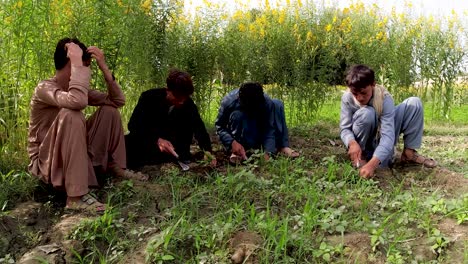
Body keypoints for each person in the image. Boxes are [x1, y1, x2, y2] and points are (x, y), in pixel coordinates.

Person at [28, 37, 147, 213]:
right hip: (47, 162)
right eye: (85, 66)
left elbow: (117, 101)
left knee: (109, 110)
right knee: (72, 113)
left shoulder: (75, 90)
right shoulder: (44, 88)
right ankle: (75, 198)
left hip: (73, 156)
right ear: (72, 63)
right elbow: (76, 102)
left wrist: (104, 68)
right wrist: (77, 63)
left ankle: (115, 168)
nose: (86, 71)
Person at [340, 64, 437, 179]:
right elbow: (345, 128)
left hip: (381, 139)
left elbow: (387, 136)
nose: (359, 98)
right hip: (363, 143)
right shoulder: (347, 98)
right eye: (355, 93)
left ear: (373, 85)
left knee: (414, 103)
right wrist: (352, 143)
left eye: (364, 93)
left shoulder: (384, 98)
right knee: (367, 113)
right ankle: (360, 157)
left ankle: (409, 154)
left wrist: (373, 164)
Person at [125, 69, 217, 169]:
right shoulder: (149, 97)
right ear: (168, 90)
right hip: (150, 144)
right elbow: (133, 125)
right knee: (127, 142)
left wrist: (207, 150)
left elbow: (199, 129)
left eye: (184, 98)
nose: (181, 102)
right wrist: (157, 140)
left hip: (175, 150)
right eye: (177, 97)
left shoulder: (189, 105)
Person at [215, 82, 299, 163]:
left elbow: (269, 129)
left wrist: (268, 152)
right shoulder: (229, 102)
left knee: (277, 104)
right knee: (238, 115)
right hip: (240, 134)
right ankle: (238, 151)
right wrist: (231, 142)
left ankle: (283, 146)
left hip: (258, 132)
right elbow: (220, 126)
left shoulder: (266, 102)